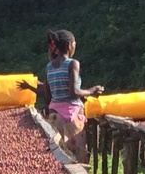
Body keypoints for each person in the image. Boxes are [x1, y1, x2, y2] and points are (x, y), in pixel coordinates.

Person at [42, 29, 103, 162]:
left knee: (56, 161)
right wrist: (93, 90)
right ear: (70, 45)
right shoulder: (72, 63)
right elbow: (74, 91)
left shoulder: (49, 67)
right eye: (74, 43)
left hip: (54, 117)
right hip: (72, 119)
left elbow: (47, 97)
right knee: (77, 161)